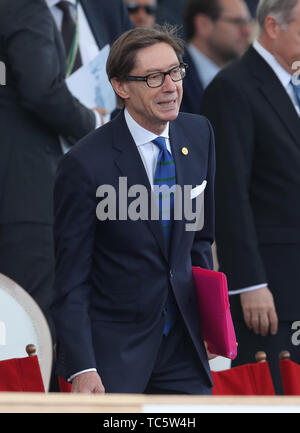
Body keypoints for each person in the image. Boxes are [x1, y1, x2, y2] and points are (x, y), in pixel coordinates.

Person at [52, 25, 216, 394]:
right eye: (154, 77)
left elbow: (200, 241)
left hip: (184, 348)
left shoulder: (200, 134)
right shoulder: (84, 164)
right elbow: (71, 279)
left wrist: (210, 324)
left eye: (175, 72)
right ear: (121, 86)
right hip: (114, 357)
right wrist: (83, 367)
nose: (171, 86)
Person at [0, 0, 132, 337]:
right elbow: (41, 90)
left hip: (94, 193)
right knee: (32, 324)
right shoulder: (24, 6)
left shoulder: (105, 8)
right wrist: (96, 122)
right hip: (30, 194)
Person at [201, 0, 300, 394]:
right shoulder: (233, 88)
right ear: (273, 26)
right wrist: (249, 282)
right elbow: (228, 194)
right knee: (274, 393)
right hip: (271, 286)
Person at [181, 0, 252, 114]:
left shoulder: (242, 80)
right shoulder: (172, 74)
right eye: (238, 22)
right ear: (203, 24)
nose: (247, 31)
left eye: (248, 22)